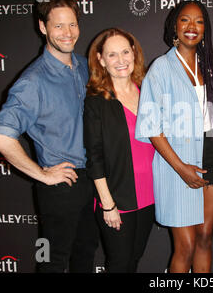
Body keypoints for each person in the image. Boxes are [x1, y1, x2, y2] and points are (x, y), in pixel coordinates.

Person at [0, 0, 99, 272]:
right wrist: (42, 174)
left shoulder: (85, 67)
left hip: (94, 180)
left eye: (72, 24)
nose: (67, 33)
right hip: (61, 186)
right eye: (58, 25)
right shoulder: (33, 81)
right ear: (43, 27)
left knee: (85, 258)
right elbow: (0, 136)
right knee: (54, 263)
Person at [134, 0, 213, 273]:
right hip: (177, 162)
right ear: (174, 27)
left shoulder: (211, 68)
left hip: (211, 155)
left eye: (199, 21)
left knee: (205, 239)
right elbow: (151, 127)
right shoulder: (161, 68)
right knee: (186, 246)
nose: (192, 26)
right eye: (185, 20)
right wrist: (180, 168)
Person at [83, 28, 155, 272]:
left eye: (125, 51)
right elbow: (94, 157)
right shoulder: (96, 101)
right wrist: (107, 204)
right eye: (112, 55)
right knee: (119, 264)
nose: (121, 60)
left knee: (134, 260)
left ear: (134, 53)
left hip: (150, 195)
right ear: (101, 60)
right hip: (117, 199)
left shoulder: (147, 90)